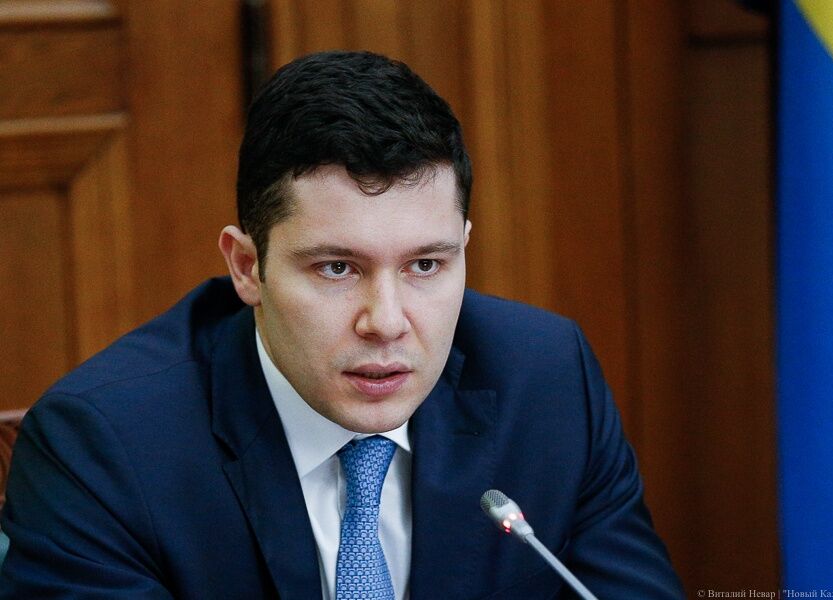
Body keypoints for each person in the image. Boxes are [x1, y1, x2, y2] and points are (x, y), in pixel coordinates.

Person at [0, 51, 683, 599]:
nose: (386, 322)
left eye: (425, 265)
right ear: (247, 267)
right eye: (336, 268)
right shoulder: (105, 449)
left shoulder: (547, 381)